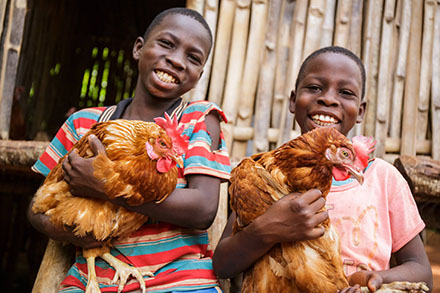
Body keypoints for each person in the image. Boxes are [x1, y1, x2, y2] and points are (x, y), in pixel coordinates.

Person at [28, 7, 231, 292]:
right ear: (139, 48)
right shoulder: (83, 124)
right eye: (167, 44)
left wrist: (106, 186)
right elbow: (39, 208)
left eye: (193, 58)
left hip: (180, 280)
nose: (176, 60)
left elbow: (203, 209)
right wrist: (75, 232)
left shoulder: (198, 120)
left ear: (199, 75)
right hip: (94, 278)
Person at [212, 46, 433, 292]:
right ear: (293, 101)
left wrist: (376, 279)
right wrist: (268, 229)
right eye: (315, 88)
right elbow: (223, 264)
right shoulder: (265, 172)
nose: (328, 98)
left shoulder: (383, 179)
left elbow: (421, 269)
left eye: (345, 92)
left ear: (360, 111)